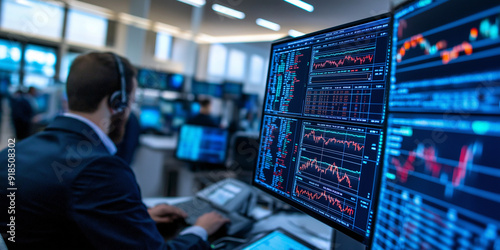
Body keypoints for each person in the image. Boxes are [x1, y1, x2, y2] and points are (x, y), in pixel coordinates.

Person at [0, 52, 228, 249]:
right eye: (131, 101)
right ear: (117, 102)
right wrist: (200, 230)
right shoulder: (100, 169)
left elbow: (54, 220)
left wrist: (132, 219)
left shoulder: (11, 154)